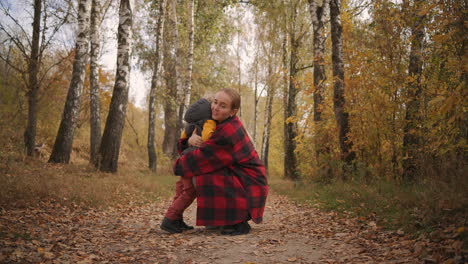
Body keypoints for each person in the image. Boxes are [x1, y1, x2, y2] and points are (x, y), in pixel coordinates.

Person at [174, 88, 268, 235]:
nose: (215, 108)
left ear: (233, 111)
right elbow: (197, 146)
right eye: (215, 102)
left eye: (222, 106)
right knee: (200, 171)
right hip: (239, 176)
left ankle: (236, 221)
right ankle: (218, 220)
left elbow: (204, 157)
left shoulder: (228, 131)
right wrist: (189, 141)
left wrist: (177, 166)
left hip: (250, 182)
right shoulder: (217, 122)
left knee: (204, 173)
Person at [160, 97, 217, 234]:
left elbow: (183, 139)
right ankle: (170, 219)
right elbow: (208, 137)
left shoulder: (190, 125)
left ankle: (175, 219)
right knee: (190, 191)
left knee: (181, 190)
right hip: (192, 162)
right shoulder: (208, 121)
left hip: (184, 160)